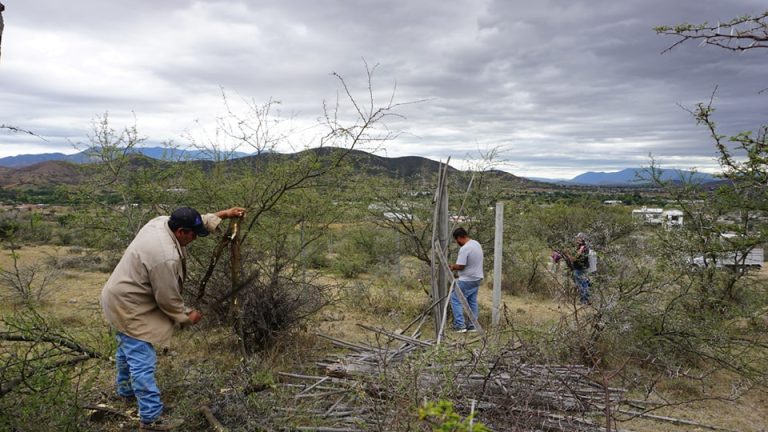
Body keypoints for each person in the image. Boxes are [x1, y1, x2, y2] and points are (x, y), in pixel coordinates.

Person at [101, 206, 245, 431]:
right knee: (142, 361)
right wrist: (187, 315)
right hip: (129, 306)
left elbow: (193, 220)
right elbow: (168, 299)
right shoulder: (165, 257)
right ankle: (150, 419)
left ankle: (126, 394)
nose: (195, 237)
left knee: (125, 350)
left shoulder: (161, 221)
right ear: (181, 232)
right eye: (193, 234)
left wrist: (223, 215)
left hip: (117, 295)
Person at [448, 227, 484, 332]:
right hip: (477, 278)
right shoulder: (476, 244)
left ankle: (460, 325)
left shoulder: (465, 248)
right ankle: (472, 326)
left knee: (455, 299)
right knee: (472, 301)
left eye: (456, 240)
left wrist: (452, 267)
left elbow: (461, 266)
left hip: (467, 279)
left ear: (460, 237)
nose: (457, 242)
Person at [565, 233, 591, 305]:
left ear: (582, 239)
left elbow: (574, 259)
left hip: (580, 269)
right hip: (582, 268)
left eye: (578, 238)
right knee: (584, 284)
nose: (576, 239)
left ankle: (584, 301)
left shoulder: (583, 248)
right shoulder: (582, 247)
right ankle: (585, 300)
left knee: (582, 284)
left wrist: (567, 254)